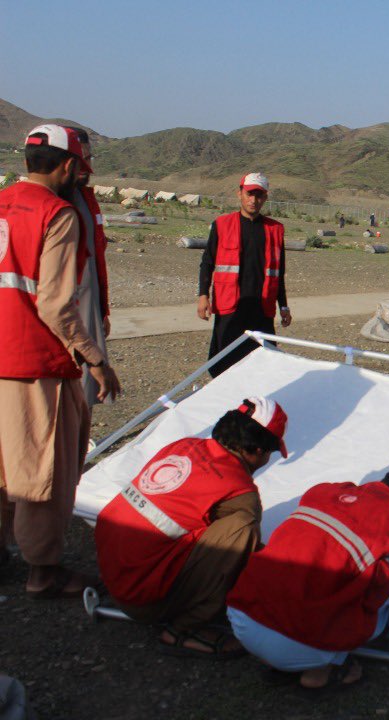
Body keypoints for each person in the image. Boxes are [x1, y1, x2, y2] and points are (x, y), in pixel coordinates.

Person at [0, 124, 121, 597]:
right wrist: (95, 359)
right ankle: (43, 571)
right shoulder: (58, 214)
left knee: (4, 464)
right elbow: (54, 304)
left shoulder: (2, 202)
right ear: (69, 166)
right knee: (42, 469)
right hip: (36, 362)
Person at [227, 457, 389, 691]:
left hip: (242, 620)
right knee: (385, 582)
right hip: (305, 644)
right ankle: (320, 671)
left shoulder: (325, 492)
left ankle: (279, 661)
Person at [94, 397, 288, 657]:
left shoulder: (183, 446)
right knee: (242, 531)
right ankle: (184, 629)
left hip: (112, 571)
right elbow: (240, 553)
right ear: (258, 450)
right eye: (270, 454)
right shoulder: (240, 492)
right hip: (142, 598)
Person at [197, 173, 291, 377]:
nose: (253, 200)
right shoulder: (222, 225)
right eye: (249, 194)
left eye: (259, 195)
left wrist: (283, 306)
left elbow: (278, 272)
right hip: (230, 306)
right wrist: (203, 295)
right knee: (224, 361)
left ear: (265, 198)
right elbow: (207, 262)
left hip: (262, 308)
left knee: (262, 361)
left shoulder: (275, 230)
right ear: (239, 193)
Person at [67, 128, 112, 414]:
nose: (87, 166)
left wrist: (102, 311)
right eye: (80, 158)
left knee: (86, 390)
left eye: (90, 158)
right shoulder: (57, 202)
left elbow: (97, 262)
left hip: (88, 305)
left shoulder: (87, 199)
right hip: (65, 311)